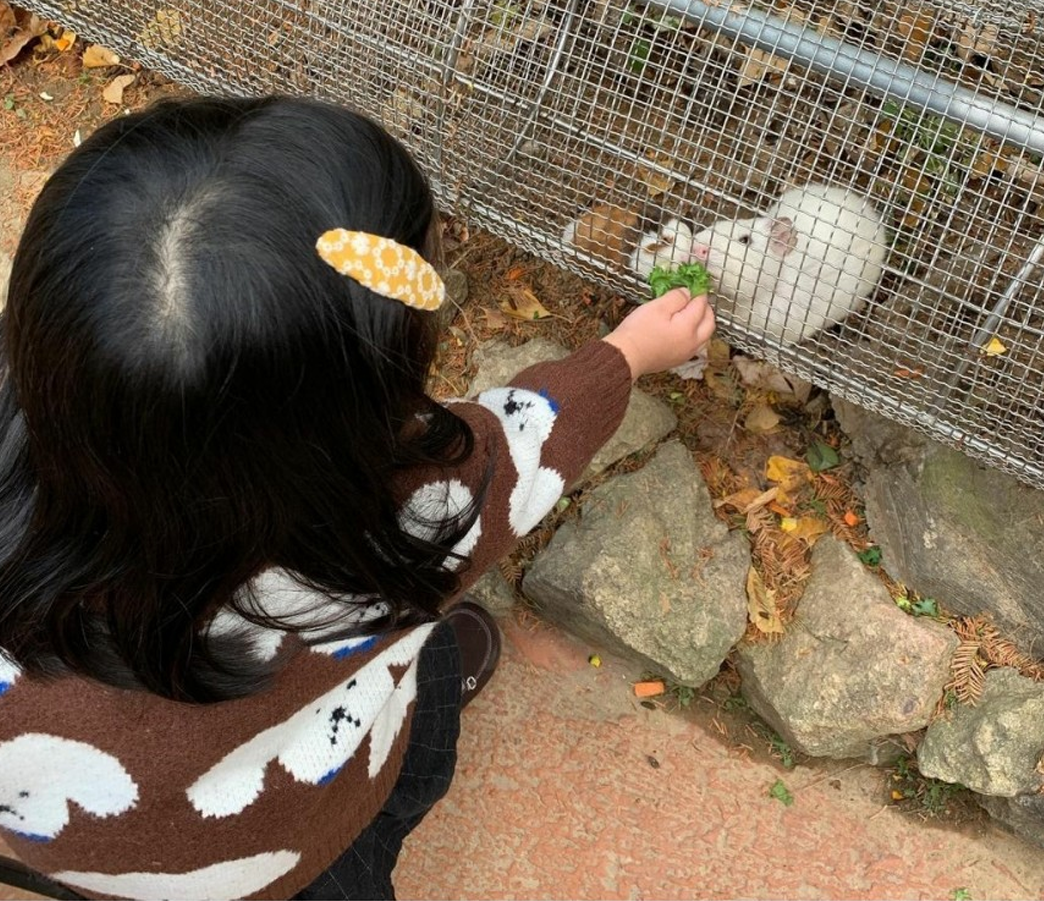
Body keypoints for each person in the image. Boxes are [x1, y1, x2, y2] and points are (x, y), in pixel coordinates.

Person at [0, 95, 715, 901]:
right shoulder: (418, 517)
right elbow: (531, 440)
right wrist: (627, 354)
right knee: (425, 682)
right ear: (349, 414)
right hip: (286, 852)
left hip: (66, 843)